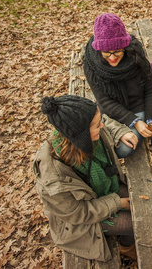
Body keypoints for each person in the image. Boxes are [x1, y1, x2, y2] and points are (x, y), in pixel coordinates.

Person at [33, 95, 137, 261]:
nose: (101, 126)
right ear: (81, 136)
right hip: (81, 223)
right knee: (136, 223)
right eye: (96, 126)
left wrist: (121, 131)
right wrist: (118, 202)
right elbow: (78, 213)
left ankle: (123, 239)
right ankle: (126, 246)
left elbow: (104, 121)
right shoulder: (54, 178)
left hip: (103, 191)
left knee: (139, 200)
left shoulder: (80, 134)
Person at [83, 13, 152, 157]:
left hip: (137, 107)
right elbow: (104, 101)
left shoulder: (136, 56)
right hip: (111, 112)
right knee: (115, 148)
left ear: (125, 46)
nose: (112, 57)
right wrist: (134, 122)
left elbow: (151, 89)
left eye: (117, 51)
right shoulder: (91, 64)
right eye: (106, 52)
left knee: (125, 148)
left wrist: (149, 120)